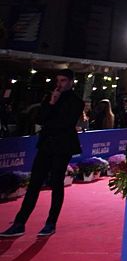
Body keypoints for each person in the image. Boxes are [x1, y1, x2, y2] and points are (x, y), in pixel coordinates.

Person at [0, 69, 84, 238]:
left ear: (71, 82)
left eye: (63, 80)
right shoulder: (50, 97)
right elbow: (40, 119)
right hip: (46, 145)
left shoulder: (76, 102)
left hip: (63, 147)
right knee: (34, 184)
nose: (59, 84)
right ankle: (19, 223)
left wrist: (52, 116)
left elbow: (65, 123)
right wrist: (52, 103)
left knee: (56, 184)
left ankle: (51, 223)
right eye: (58, 80)